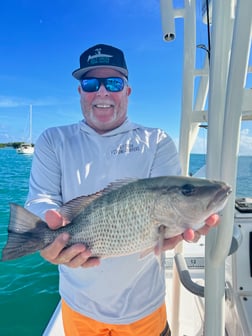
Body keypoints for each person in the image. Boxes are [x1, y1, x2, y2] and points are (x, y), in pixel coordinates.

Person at [25, 44, 219, 336]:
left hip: (143, 307)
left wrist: (181, 227)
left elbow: (171, 206)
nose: (102, 92)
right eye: (90, 83)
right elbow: (41, 198)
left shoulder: (157, 141)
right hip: (78, 305)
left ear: (127, 91)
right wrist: (48, 230)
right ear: (80, 91)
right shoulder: (54, 140)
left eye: (113, 83)